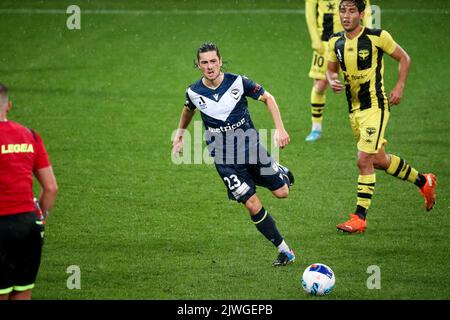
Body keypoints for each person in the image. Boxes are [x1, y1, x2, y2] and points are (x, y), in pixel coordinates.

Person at [172, 43, 296, 266]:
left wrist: (280, 128)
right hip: (224, 158)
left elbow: (269, 98)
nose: (209, 66)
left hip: (251, 149)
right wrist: (180, 135)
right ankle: (284, 249)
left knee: (282, 193)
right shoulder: (193, 92)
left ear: (220, 61)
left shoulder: (238, 82)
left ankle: (279, 171)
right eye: (204, 62)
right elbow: (188, 109)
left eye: (213, 61)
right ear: (198, 65)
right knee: (251, 203)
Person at [326, 0, 437, 233]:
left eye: (352, 11)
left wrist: (400, 86)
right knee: (378, 159)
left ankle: (359, 217)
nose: (346, 16)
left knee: (363, 160)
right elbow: (331, 69)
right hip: (354, 110)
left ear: (362, 14)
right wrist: (331, 80)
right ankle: (423, 182)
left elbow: (404, 58)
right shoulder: (334, 41)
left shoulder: (378, 37)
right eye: (342, 11)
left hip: (376, 106)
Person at [0, 83, 58, 300]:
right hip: (27, 226)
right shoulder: (29, 135)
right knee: (22, 293)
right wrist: (39, 218)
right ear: (8, 106)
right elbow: (51, 188)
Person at [304, 0, 371, 142]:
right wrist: (315, 39)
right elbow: (309, 12)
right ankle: (316, 128)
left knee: (358, 85)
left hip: (351, 42)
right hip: (325, 43)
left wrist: (369, 34)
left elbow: (367, 10)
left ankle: (365, 126)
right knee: (320, 85)